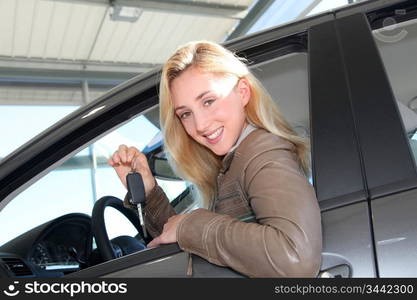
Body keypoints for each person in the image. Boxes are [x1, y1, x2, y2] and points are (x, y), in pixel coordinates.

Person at [108, 41, 322, 277]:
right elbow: (209, 248)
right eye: (186, 114)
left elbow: (296, 260)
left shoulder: (262, 152)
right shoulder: (234, 161)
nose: (200, 125)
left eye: (208, 101)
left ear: (242, 92)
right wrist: (149, 192)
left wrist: (191, 226)